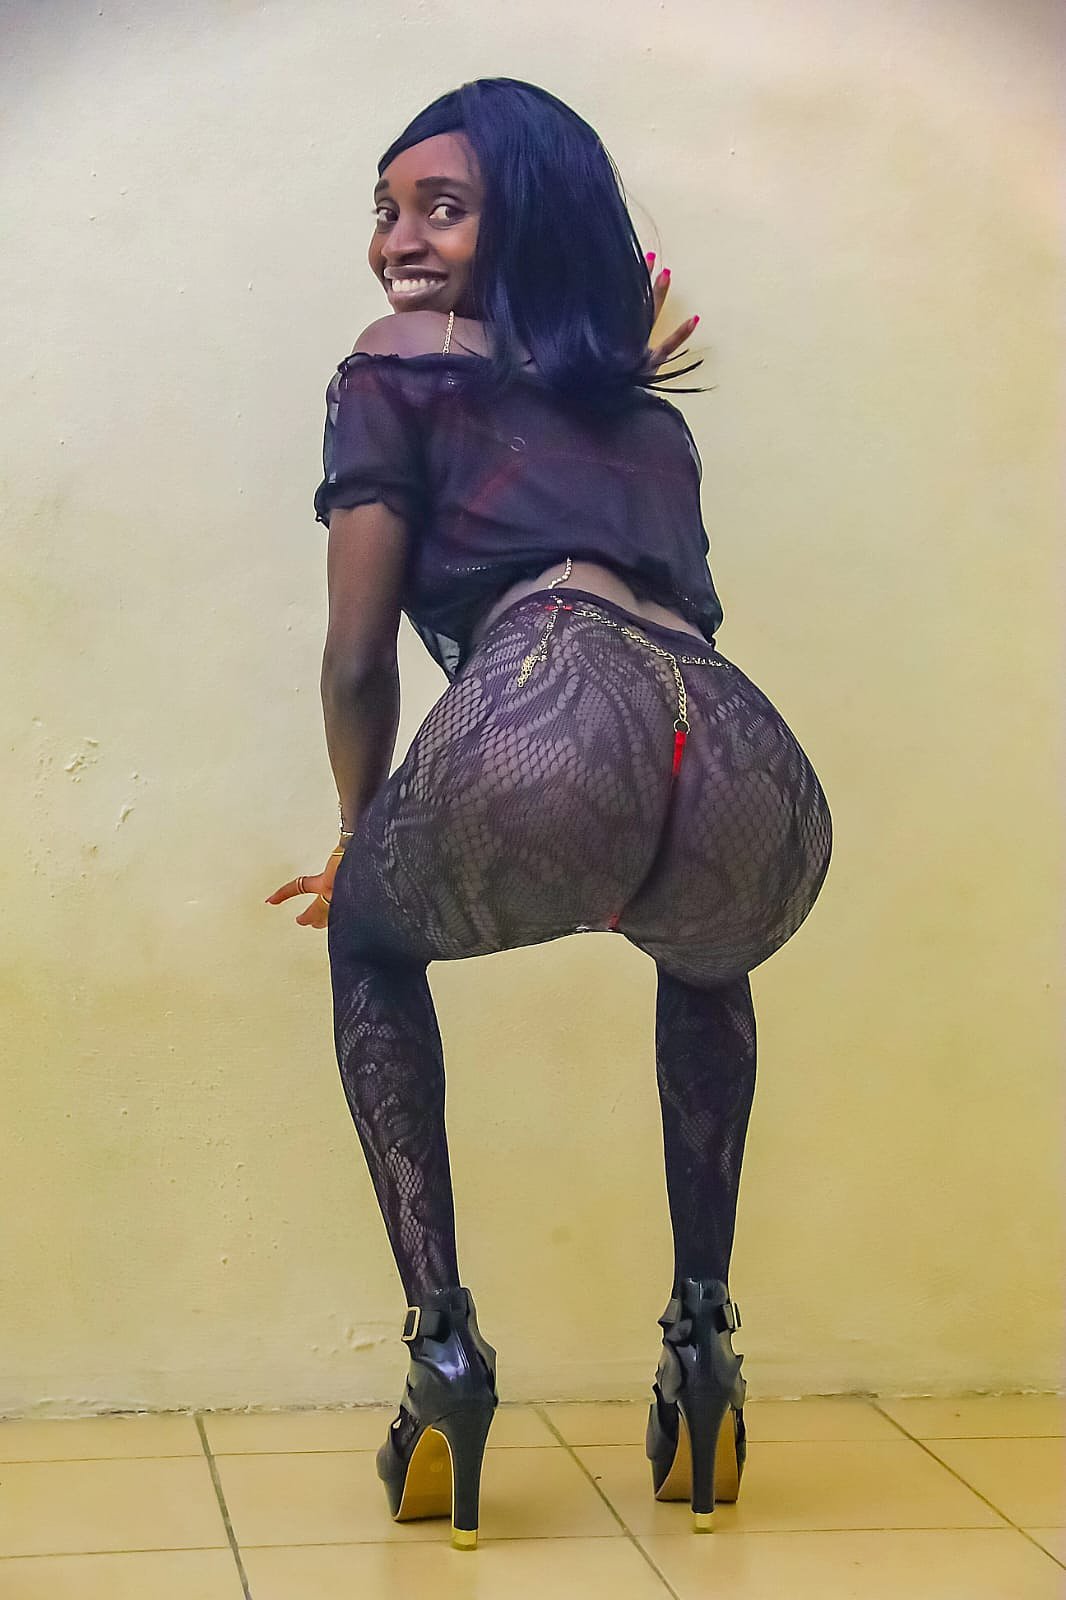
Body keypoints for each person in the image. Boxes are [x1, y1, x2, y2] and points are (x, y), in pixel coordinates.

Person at [267, 77, 832, 1550]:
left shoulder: (397, 361)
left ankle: (443, 1351)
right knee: (706, 966)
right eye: (385, 211)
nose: (397, 241)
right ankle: (702, 1347)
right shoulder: (649, 421)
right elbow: (671, 631)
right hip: (744, 755)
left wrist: (357, 834)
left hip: (554, 694)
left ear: (527, 223)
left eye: (442, 209)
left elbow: (355, 656)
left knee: (369, 940)